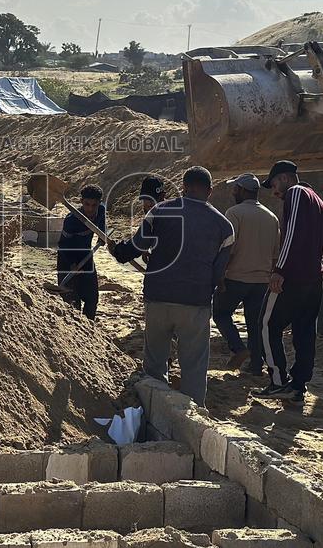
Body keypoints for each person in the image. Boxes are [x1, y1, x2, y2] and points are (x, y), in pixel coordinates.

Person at [109, 166, 234, 406]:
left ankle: (154, 409)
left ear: (184, 187)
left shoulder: (159, 211)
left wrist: (118, 250)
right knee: (194, 366)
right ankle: (194, 412)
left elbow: (136, 247)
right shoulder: (224, 226)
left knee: (155, 363)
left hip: (158, 297)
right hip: (195, 302)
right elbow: (219, 275)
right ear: (209, 191)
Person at [253, 161, 323, 403]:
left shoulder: (295, 194)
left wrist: (279, 270)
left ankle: (277, 381)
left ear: (284, 178)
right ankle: (298, 385)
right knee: (305, 332)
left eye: (273, 184)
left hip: (293, 277)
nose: (274, 191)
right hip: (314, 278)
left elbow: (292, 233)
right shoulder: (318, 200)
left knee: (266, 324)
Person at [212, 173, 279, 375]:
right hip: (261, 281)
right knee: (254, 324)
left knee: (221, 314)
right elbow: (276, 254)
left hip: (236, 277)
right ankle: (256, 367)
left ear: (241, 190)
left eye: (235, 188)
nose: (233, 191)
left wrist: (220, 274)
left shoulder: (234, 213)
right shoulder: (271, 217)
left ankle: (239, 349)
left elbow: (228, 249)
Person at [56, 184, 106, 320]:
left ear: (99, 203)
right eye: (87, 204)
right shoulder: (71, 220)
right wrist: (72, 264)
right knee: (72, 303)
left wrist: (102, 237)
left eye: (94, 205)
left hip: (86, 256)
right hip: (67, 260)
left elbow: (101, 227)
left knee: (92, 299)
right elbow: (63, 245)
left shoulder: (101, 210)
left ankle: (89, 329)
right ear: (81, 202)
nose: (90, 208)